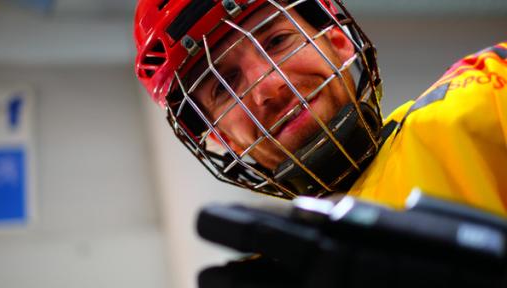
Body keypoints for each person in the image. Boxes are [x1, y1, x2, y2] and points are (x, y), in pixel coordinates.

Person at [134, 0, 507, 215]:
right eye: (224, 85)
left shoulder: (484, 97)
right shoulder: (274, 271)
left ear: (337, 39)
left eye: (278, 40)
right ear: (218, 136)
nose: (269, 85)